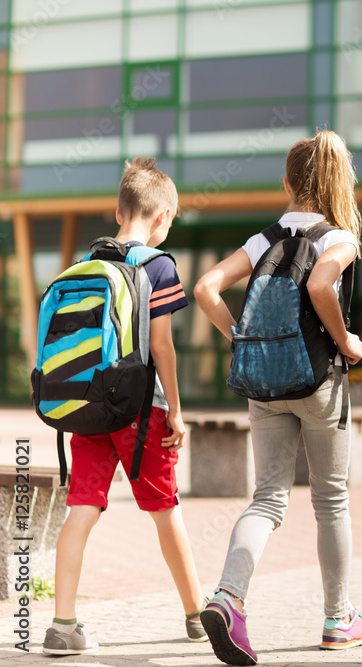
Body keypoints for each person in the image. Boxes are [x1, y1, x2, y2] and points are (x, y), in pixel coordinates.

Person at [193, 130, 362, 666]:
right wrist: (347, 342)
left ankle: (229, 597)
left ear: (289, 182)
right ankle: (339, 619)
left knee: (268, 498)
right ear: (336, 181)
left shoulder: (262, 239)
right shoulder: (338, 236)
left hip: (264, 384)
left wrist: (240, 338)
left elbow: (205, 288)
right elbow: (321, 285)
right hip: (319, 382)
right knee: (331, 500)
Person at [43, 158, 206, 655]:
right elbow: (162, 346)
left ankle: (62, 624)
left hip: (88, 405)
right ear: (163, 218)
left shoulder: (84, 266)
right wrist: (175, 410)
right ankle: (198, 615)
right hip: (142, 411)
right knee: (164, 510)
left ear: (119, 211)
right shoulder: (158, 265)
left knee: (82, 508)